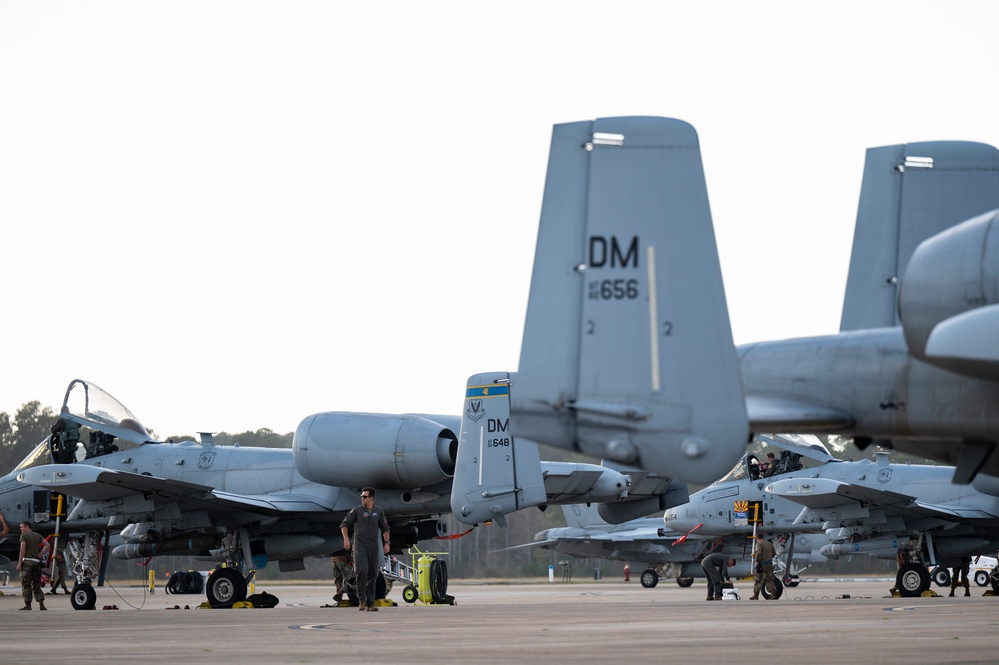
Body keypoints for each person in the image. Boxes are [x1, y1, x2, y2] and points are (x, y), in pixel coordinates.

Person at [340, 487, 390, 612]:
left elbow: (385, 528)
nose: (362, 498)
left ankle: (370, 603)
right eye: (362, 496)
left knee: (373, 573)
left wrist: (387, 543)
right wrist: (346, 539)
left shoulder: (378, 511)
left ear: (371, 498)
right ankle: (362, 600)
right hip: (359, 546)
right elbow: (344, 524)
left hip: (373, 546)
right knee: (362, 571)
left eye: (364, 496)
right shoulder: (356, 511)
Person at [17, 521, 50, 610]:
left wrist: (19, 563)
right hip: (36, 563)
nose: (20, 529)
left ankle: (28, 605)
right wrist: (40, 555)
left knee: (26, 584)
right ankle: (41, 604)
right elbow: (47, 545)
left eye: (22, 527)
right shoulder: (37, 535)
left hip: (27, 563)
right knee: (36, 584)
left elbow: (22, 549)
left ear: (27, 527)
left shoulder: (23, 536)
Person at [750, 533, 776, 600]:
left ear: (757, 538)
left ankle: (755, 595)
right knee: (769, 579)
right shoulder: (770, 544)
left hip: (762, 565)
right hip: (769, 564)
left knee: (758, 580)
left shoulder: (759, 544)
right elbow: (774, 554)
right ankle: (773, 594)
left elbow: (758, 552)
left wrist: (757, 560)